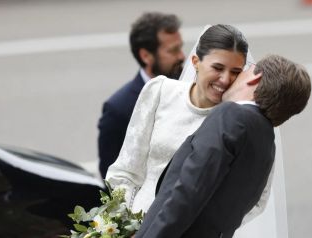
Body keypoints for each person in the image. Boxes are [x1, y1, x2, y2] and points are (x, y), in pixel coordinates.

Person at [106, 25, 270, 224]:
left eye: (235, 72)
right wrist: (125, 223)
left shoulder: (241, 123)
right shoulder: (159, 91)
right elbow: (126, 171)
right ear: (195, 62)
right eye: (217, 68)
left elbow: (256, 200)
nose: (225, 79)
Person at [135, 54, 312, 238]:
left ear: (255, 77)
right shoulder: (267, 144)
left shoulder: (232, 115)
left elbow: (190, 189)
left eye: (244, 70)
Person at [97, 12, 185, 178]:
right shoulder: (118, 109)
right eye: (173, 50)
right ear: (146, 56)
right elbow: (111, 178)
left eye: (180, 47)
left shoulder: (189, 88)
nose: (181, 56)